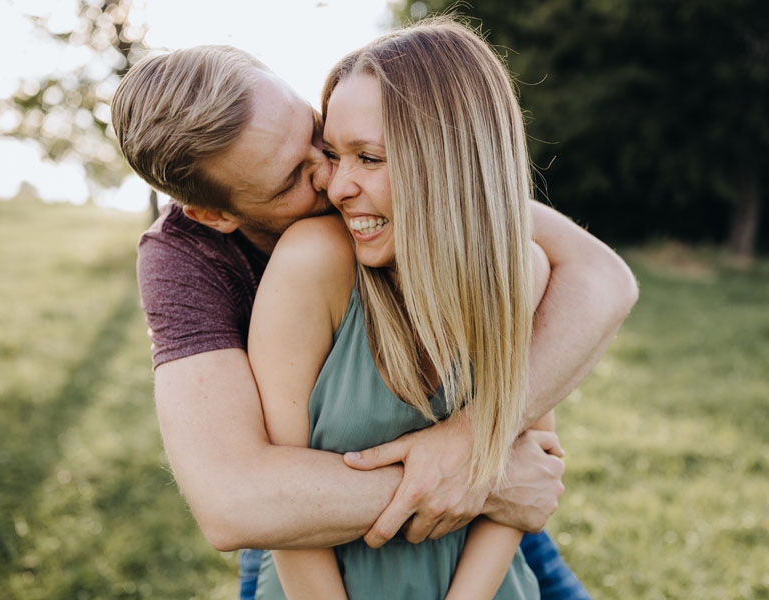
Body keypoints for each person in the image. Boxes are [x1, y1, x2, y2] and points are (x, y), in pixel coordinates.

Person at [110, 38, 637, 599]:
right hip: (312, 532)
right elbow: (239, 503)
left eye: (319, 136)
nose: (333, 180)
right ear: (215, 214)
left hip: (483, 545)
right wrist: (486, 480)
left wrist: (471, 443)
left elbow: (603, 278)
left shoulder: (421, 195)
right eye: (293, 178)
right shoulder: (190, 259)